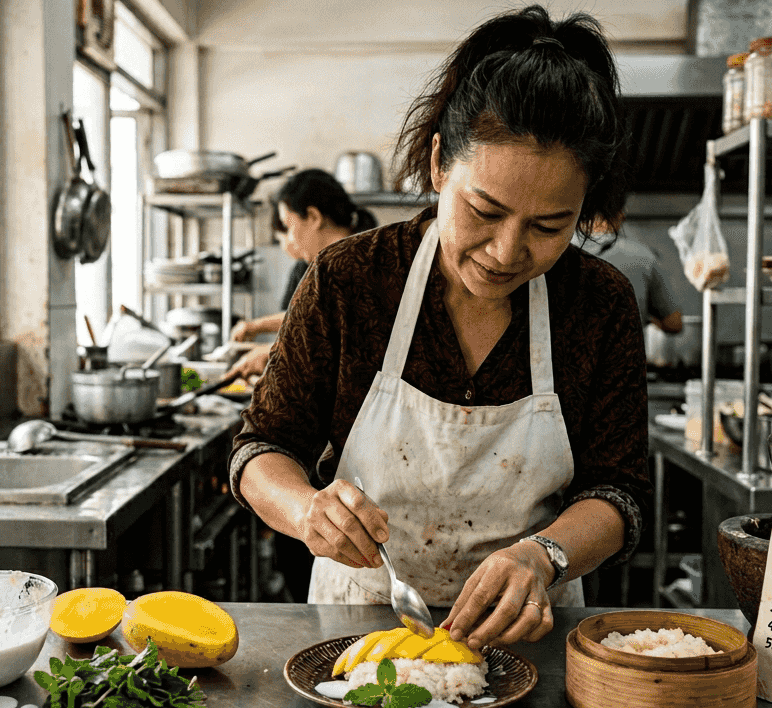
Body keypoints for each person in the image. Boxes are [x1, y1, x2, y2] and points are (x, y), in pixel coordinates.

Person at [229, 5, 648, 652]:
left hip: (530, 640)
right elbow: (261, 450)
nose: (507, 251)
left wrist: (544, 556)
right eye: (484, 210)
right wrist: (306, 509)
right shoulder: (351, 280)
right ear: (437, 166)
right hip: (358, 632)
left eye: (548, 227)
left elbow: (618, 492)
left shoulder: (598, 304)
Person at [227, 170, 377, 382]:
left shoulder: (362, 262)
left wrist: (275, 351)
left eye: (289, 226)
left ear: (314, 217)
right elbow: (317, 325)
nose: (289, 240)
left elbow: (351, 344)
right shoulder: (332, 265)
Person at [579, 209, 683, 333]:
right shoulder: (643, 257)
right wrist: (645, 318)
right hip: (624, 349)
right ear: (620, 216)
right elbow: (674, 323)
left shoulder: (559, 255)